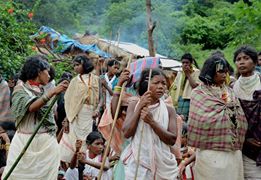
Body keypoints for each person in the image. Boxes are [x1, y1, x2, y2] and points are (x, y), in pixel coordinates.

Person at [2, 55, 68, 179]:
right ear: (39, 72)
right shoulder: (20, 89)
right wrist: (53, 92)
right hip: (24, 142)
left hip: (46, 144)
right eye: (47, 72)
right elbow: (31, 107)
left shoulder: (42, 90)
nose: (49, 75)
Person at [187, 55, 248, 180]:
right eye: (220, 71)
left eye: (226, 71)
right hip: (210, 153)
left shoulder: (230, 92)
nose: (224, 74)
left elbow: (240, 116)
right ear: (210, 71)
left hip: (232, 152)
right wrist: (224, 113)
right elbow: (199, 120)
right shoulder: (199, 93)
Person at [121, 68, 178, 179]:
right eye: (156, 83)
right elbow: (127, 133)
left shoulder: (169, 110)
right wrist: (139, 108)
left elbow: (172, 139)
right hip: (138, 163)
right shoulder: (134, 105)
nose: (161, 87)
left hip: (162, 165)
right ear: (146, 85)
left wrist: (152, 122)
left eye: (163, 83)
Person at [60, 54, 102, 163]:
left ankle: (83, 162)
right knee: (73, 138)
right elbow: (69, 101)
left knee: (86, 138)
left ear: (85, 64)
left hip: (89, 115)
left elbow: (101, 97)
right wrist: (68, 118)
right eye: (74, 65)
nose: (75, 68)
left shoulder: (95, 79)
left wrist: (97, 110)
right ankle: (70, 165)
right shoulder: (74, 81)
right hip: (76, 115)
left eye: (78, 65)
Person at [233, 46, 261, 179]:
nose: (241, 62)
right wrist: (245, 139)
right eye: (238, 59)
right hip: (243, 146)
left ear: (255, 62)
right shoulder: (232, 89)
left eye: (246, 58)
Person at [169, 53, 200, 122]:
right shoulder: (180, 72)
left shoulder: (196, 72)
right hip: (180, 98)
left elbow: (195, 87)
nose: (185, 64)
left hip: (190, 99)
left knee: (186, 119)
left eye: (187, 62)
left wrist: (188, 74)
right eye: (183, 62)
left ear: (191, 63)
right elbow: (175, 86)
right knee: (179, 118)